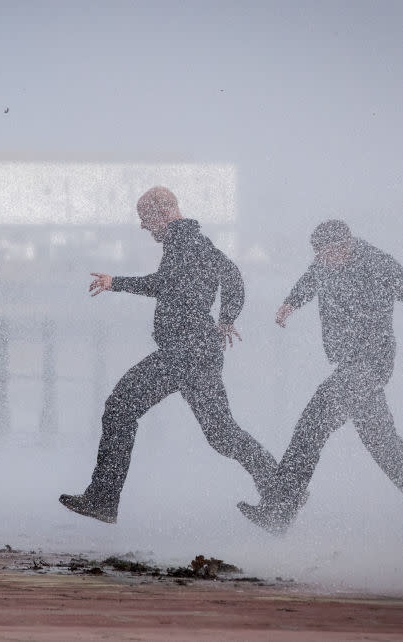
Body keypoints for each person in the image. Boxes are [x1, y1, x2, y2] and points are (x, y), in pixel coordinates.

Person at [59, 186, 277, 523]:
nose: (143, 227)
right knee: (222, 433)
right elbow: (233, 277)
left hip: (185, 351)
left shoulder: (183, 240)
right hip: (200, 350)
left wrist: (115, 282)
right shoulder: (198, 242)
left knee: (120, 407)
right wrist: (226, 318)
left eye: (145, 219)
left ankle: (103, 500)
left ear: (164, 213)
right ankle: (282, 489)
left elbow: (165, 283)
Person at [238, 219, 403, 534]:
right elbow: (311, 278)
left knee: (312, 423)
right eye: (318, 256)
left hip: (370, 364)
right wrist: (291, 302)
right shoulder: (325, 263)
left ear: (345, 247)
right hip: (349, 364)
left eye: (327, 255)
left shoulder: (376, 262)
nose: (322, 262)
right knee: (385, 445)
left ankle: (279, 510)